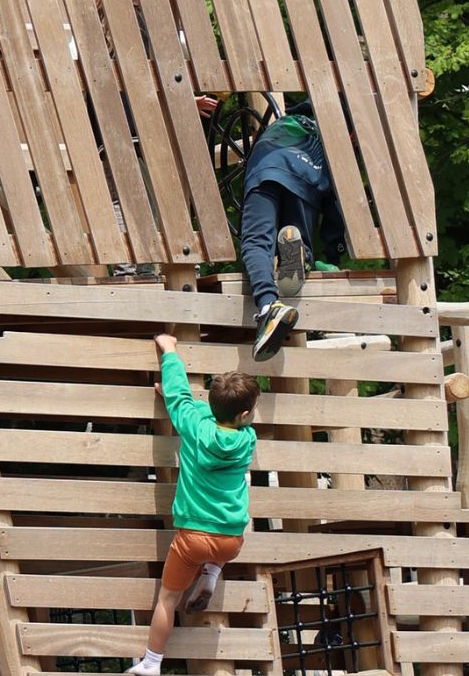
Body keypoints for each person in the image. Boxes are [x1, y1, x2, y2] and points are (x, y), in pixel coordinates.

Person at [126, 334, 259, 676]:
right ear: (245, 414)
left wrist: (169, 351)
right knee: (242, 490)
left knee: (168, 600)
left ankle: (152, 663)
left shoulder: (196, 426)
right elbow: (210, 415)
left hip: (191, 539)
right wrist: (182, 404)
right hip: (231, 541)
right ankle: (213, 572)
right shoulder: (247, 439)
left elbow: (184, 401)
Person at [242, 98, 346, 361]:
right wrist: (333, 256)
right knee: (299, 231)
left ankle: (267, 304)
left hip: (267, 164)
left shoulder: (285, 123)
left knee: (257, 240)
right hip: (307, 173)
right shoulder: (334, 139)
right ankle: (303, 257)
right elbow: (336, 206)